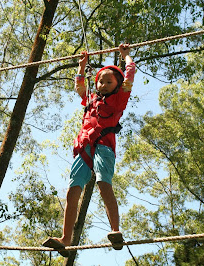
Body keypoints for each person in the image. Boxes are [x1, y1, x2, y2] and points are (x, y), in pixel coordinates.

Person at [43, 44, 136, 257]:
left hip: (103, 146)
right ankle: (65, 239)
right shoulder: (91, 100)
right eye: (100, 81)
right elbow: (79, 86)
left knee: (104, 183)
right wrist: (81, 66)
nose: (103, 84)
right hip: (84, 146)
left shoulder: (120, 98)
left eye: (108, 81)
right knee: (72, 190)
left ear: (118, 85)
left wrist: (126, 57)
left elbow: (130, 74)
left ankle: (115, 231)